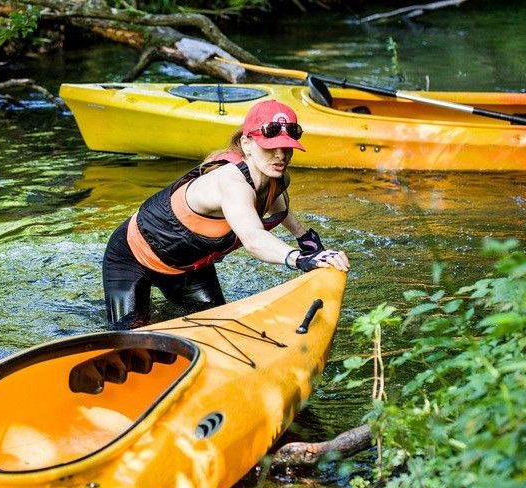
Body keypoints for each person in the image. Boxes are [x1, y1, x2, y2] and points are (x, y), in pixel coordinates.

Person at [102, 99, 350, 329]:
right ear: (247, 144)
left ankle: (165, 311)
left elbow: (280, 208)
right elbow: (253, 239)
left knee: (219, 326)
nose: (280, 156)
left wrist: (308, 241)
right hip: (132, 259)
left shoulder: (276, 176)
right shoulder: (231, 181)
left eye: (287, 148)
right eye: (270, 148)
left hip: (189, 268)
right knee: (130, 334)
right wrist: (299, 259)